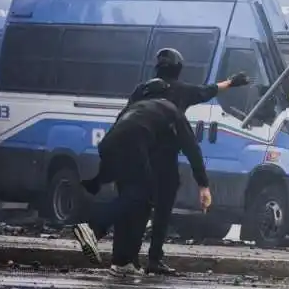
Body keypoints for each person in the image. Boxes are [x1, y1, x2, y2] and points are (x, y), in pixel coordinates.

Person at [124, 47, 249, 275]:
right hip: (164, 161)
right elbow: (207, 92)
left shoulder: (141, 91)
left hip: (137, 158)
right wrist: (232, 82)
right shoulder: (181, 93)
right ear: (179, 69)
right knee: (162, 210)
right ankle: (154, 259)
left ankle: (129, 258)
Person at [72, 79, 211, 277]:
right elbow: (191, 148)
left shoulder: (136, 107)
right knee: (142, 194)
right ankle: (93, 228)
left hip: (109, 144)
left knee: (133, 199)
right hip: (133, 144)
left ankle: (122, 262)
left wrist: (102, 177)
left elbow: (118, 137)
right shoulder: (170, 109)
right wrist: (203, 184)